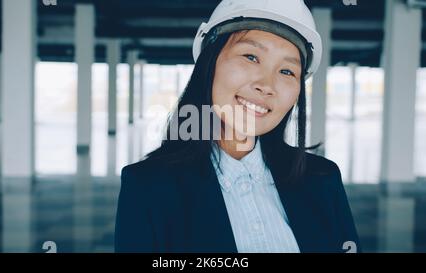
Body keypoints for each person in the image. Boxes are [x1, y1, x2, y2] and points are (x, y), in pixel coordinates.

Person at [115, 0, 360, 253]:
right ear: (209, 66)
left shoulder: (323, 180)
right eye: (251, 57)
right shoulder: (147, 188)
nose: (266, 85)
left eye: (287, 71)